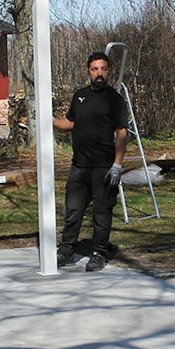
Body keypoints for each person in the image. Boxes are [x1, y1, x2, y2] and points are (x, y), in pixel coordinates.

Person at [52, 51, 128, 272]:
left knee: (101, 213)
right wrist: (51, 121)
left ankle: (98, 253)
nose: (99, 73)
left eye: (103, 69)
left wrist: (117, 165)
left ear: (109, 71)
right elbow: (71, 122)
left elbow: (121, 133)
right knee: (73, 210)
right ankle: (66, 250)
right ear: (88, 71)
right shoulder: (80, 96)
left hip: (103, 167)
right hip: (80, 166)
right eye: (95, 69)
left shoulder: (114, 99)